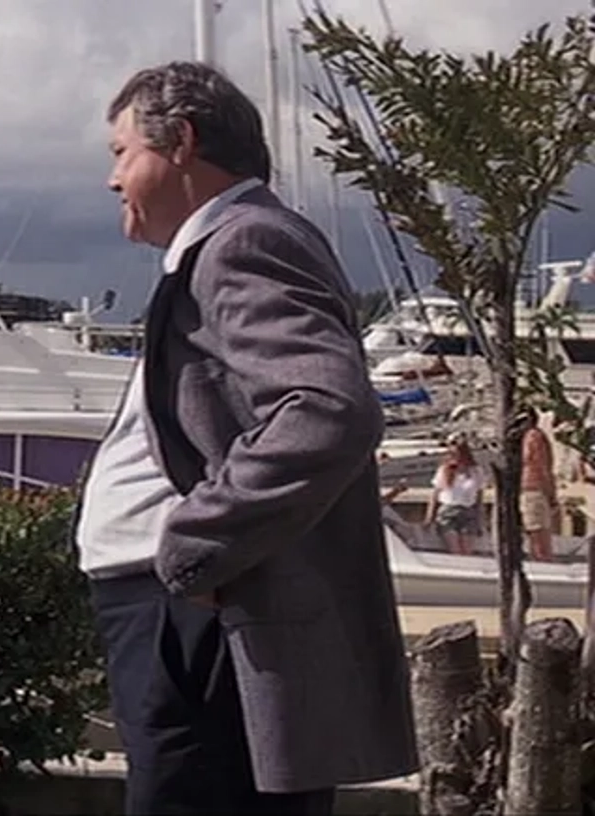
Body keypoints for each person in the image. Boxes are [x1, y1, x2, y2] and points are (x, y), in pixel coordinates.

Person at [77, 61, 418, 814]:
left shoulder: (242, 241)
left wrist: (196, 545)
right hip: (192, 610)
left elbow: (327, 410)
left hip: (201, 617)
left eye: (121, 153)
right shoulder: (232, 241)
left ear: (183, 142)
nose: (112, 180)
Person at [426, 434, 485, 555]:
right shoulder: (444, 470)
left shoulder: (476, 471)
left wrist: (480, 521)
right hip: (448, 512)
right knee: (455, 549)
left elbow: (479, 497)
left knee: (467, 550)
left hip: (468, 511)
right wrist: (429, 518)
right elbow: (435, 495)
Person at [517, 409, 557, 560]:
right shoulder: (527, 437)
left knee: (538, 537)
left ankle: (544, 567)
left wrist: (550, 493)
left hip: (533, 489)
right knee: (532, 536)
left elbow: (541, 466)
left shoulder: (533, 436)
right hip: (528, 490)